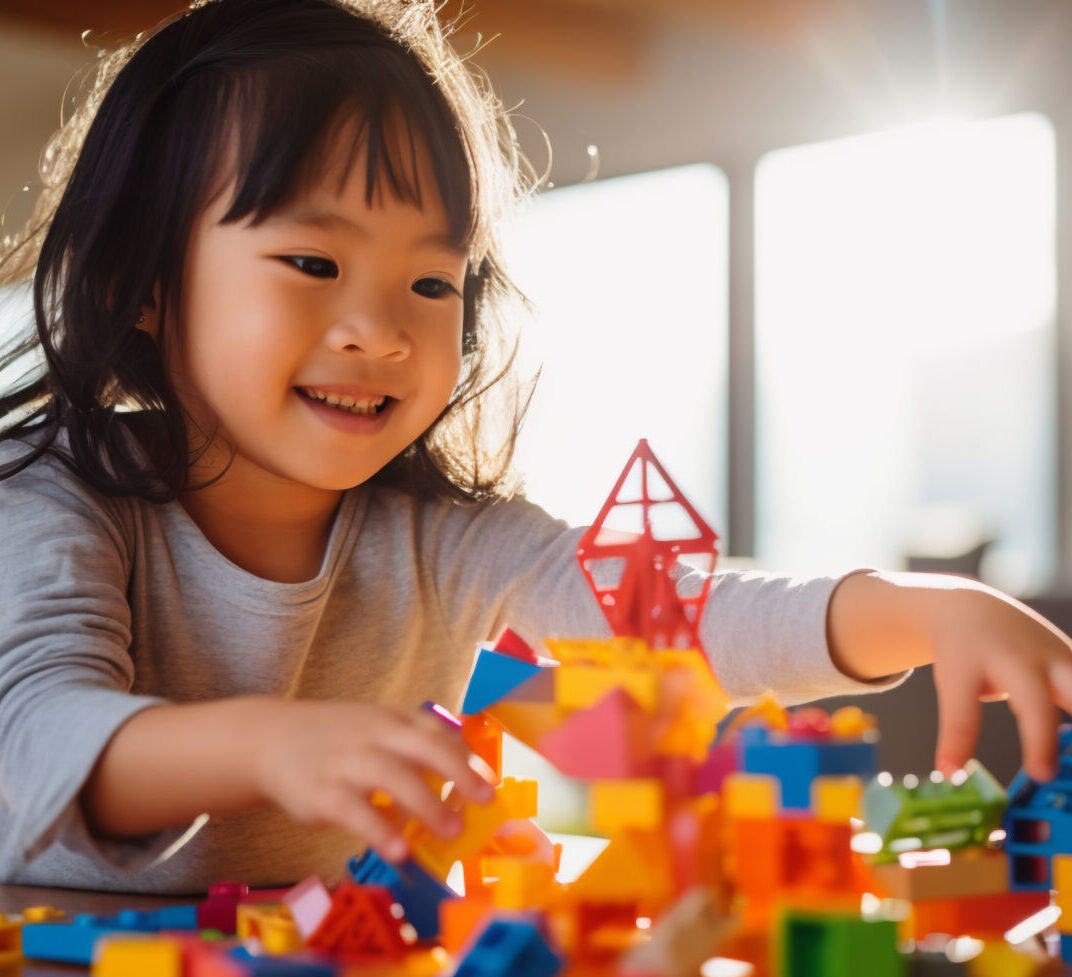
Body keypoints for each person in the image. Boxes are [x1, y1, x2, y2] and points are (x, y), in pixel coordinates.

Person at [0, 0, 1068, 895]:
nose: (380, 330)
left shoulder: (444, 540)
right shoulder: (64, 504)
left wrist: (916, 607)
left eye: (429, 283)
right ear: (135, 283)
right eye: (312, 263)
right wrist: (272, 746)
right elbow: (41, 738)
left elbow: (678, 617)